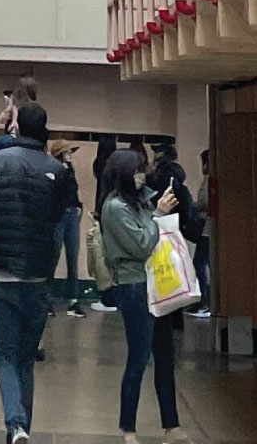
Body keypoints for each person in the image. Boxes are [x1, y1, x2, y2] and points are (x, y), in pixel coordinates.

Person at [0, 100, 77, 444]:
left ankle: (15, 424)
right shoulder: (57, 170)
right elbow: (58, 219)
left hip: (2, 274)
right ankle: (22, 428)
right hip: (37, 276)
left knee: (3, 353)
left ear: (17, 127)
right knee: (26, 357)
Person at [98, 149, 182, 444]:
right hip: (134, 284)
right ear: (123, 173)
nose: (142, 175)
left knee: (165, 355)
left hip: (156, 280)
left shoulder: (138, 201)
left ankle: (171, 425)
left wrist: (155, 204)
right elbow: (144, 243)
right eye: (137, 170)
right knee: (138, 356)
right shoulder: (115, 208)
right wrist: (158, 212)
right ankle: (128, 428)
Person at [144, 138, 205, 319]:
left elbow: (157, 198)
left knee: (164, 269)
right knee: (174, 269)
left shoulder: (163, 176)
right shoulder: (176, 175)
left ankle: (168, 311)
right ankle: (175, 310)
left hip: (164, 224)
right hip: (175, 226)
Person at [49, 142, 88, 316]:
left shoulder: (69, 170)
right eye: (68, 152)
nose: (70, 155)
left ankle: (73, 299)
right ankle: (46, 300)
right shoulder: (55, 170)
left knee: (72, 257)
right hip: (59, 215)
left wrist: (79, 207)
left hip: (71, 214)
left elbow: (73, 192)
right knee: (53, 257)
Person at [192, 150, 214, 317]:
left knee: (200, 263)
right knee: (205, 264)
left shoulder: (209, 181)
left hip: (207, 229)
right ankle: (206, 301)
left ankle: (205, 302)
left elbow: (205, 202)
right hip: (209, 228)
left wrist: (194, 206)